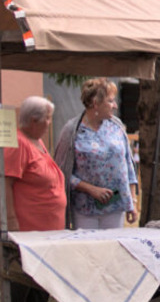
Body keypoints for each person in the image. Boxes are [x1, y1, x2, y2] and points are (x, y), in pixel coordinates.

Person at [3, 96, 67, 302]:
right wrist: (11, 221)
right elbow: (6, 183)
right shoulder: (18, 143)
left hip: (47, 231)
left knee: (41, 281)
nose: (50, 123)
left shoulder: (36, 140)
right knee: (20, 280)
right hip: (27, 229)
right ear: (33, 120)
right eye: (48, 118)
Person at [54, 78, 139, 229]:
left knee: (112, 249)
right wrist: (90, 189)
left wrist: (132, 200)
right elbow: (61, 171)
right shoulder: (73, 130)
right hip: (85, 209)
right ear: (95, 103)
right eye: (110, 101)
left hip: (116, 206)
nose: (115, 106)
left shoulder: (116, 126)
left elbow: (128, 164)